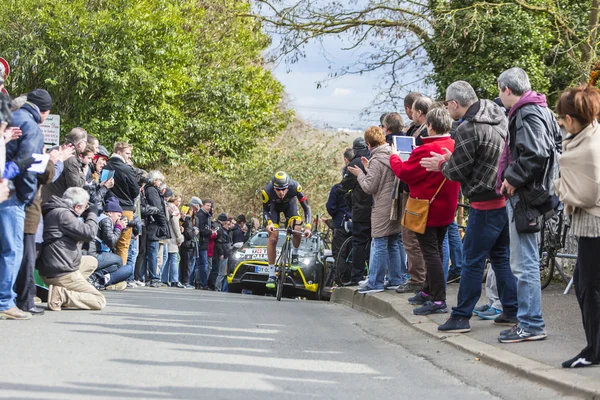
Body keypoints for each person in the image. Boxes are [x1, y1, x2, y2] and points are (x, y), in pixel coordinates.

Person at [421, 80, 518, 334]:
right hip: (501, 197)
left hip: (483, 203)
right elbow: (479, 157)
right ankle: (511, 310)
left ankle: (461, 316)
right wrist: (450, 160)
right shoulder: (497, 114)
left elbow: (457, 172)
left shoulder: (467, 129)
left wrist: (441, 165)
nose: (447, 108)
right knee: (500, 258)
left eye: (447, 103)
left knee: (472, 261)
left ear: (455, 103)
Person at [496, 67, 560, 343]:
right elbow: (555, 145)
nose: (499, 97)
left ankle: (531, 323)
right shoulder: (542, 109)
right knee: (525, 261)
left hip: (525, 196)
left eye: (500, 91)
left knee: (524, 263)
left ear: (508, 90)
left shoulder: (525, 112)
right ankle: (528, 321)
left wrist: (512, 177)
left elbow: (536, 152)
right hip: (537, 193)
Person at [391, 108, 460, 313]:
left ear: (430, 125)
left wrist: (394, 157)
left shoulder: (424, 150)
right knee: (436, 249)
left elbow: (405, 173)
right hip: (447, 207)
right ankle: (428, 290)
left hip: (427, 208)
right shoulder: (453, 146)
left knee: (430, 252)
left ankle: (438, 299)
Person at [553, 86, 600, 367]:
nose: (559, 122)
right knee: (586, 287)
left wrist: (559, 187)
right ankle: (593, 347)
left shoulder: (589, 148)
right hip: (589, 223)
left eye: (561, 117)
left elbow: (586, 194)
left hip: (594, 223)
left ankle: (594, 352)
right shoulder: (590, 134)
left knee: (589, 288)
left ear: (570, 119)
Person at [0, 89, 51, 320]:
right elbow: (30, 164)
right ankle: (5, 303)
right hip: (12, 195)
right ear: (45, 112)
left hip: (5, 188)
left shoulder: (11, 118)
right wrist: (27, 196)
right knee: (12, 250)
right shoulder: (33, 127)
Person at [347, 126, 404, 294]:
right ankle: (396, 278)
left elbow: (369, 186)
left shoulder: (377, 160)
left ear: (368, 143)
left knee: (378, 242)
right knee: (393, 242)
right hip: (395, 204)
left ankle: (375, 282)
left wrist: (359, 174)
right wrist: (367, 167)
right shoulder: (391, 154)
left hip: (382, 206)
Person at [38, 188, 106, 311]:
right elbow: (89, 233)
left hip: (53, 267)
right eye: (85, 207)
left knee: (91, 261)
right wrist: (92, 214)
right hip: (61, 272)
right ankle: (62, 295)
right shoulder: (63, 214)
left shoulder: (54, 211)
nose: (86, 209)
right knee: (99, 300)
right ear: (77, 206)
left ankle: (64, 290)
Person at [262, 171, 313, 289]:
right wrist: (269, 223)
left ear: (288, 186)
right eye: (278, 190)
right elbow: (265, 210)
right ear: (273, 187)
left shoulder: (296, 187)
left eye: (284, 189)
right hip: (274, 209)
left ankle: (294, 255)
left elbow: (307, 208)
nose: (281, 192)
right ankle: (271, 274)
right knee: (273, 236)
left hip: (290, 206)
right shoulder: (266, 191)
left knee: (297, 227)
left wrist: (308, 227)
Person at [340, 138, 372, 286]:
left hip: (360, 209)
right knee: (378, 243)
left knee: (359, 242)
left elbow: (344, 185)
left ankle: (357, 277)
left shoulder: (355, 163)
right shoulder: (375, 158)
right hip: (378, 209)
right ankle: (374, 275)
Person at [104, 142, 139, 265]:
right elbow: (135, 191)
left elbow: (104, 187)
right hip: (125, 208)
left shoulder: (106, 166)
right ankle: (120, 276)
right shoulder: (127, 169)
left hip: (108, 209)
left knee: (107, 243)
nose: (129, 156)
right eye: (127, 153)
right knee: (123, 245)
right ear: (119, 152)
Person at [88, 197, 132, 290]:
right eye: (119, 216)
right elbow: (111, 242)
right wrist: (118, 227)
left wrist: (118, 228)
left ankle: (101, 281)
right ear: (110, 213)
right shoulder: (105, 219)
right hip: (92, 256)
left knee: (128, 269)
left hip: (96, 255)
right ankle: (95, 279)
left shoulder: (103, 219)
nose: (119, 219)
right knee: (118, 261)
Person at [41, 127, 88, 202]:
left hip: (44, 197)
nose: (86, 145)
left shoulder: (54, 149)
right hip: (56, 202)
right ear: (80, 144)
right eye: (85, 142)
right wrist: (83, 173)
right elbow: (75, 186)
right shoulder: (70, 158)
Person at [143, 170, 170, 287]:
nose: (160, 183)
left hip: (153, 224)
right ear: (155, 180)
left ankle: (153, 276)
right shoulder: (152, 191)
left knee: (153, 252)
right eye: (159, 180)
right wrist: (164, 224)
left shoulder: (151, 190)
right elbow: (158, 208)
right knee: (153, 252)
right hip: (154, 225)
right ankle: (153, 277)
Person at [162, 192, 185, 287]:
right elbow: (175, 225)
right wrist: (179, 238)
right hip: (173, 237)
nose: (179, 203)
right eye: (178, 201)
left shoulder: (165, 206)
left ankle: (164, 278)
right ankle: (174, 279)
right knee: (174, 258)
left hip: (166, 236)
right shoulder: (173, 208)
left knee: (166, 258)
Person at [195, 200, 214, 290]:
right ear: (202, 205)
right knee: (204, 265)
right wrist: (211, 232)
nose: (209, 207)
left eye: (210, 206)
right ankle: (202, 283)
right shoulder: (200, 215)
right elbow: (201, 230)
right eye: (207, 205)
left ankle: (201, 283)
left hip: (205, 243)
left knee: (203, 264)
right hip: (201, 242)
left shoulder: (207, 216)